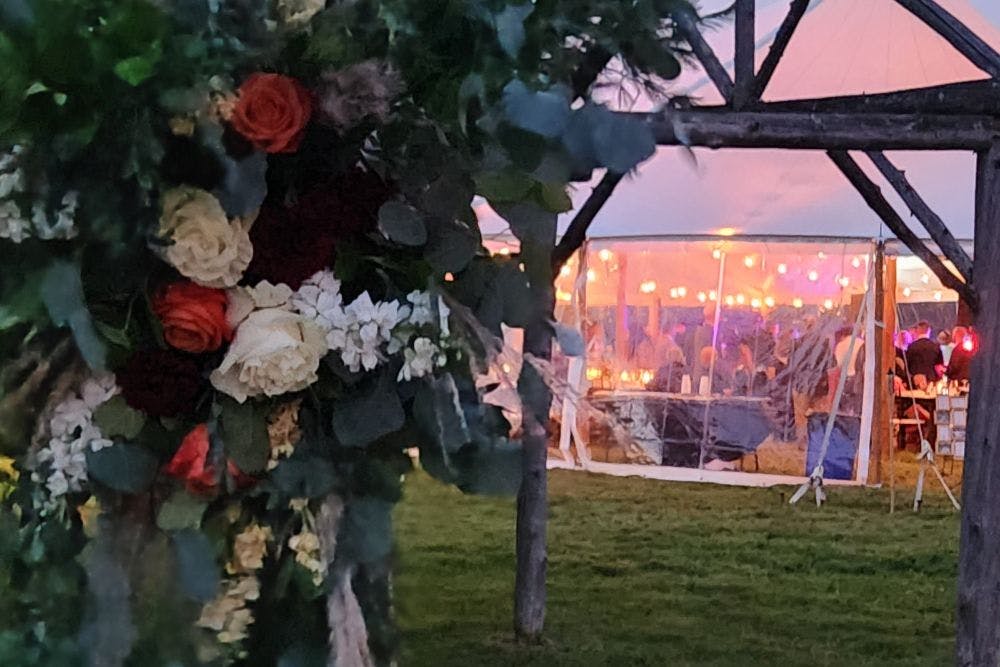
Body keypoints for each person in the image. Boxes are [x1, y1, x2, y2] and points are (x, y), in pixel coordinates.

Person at [905, 321, 944, 388]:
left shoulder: (911, 347)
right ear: (929, 330)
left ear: (917, 330)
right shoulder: (935, 347)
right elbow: (939, 367)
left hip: (915, 383)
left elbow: (906, 366)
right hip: (931, 382)